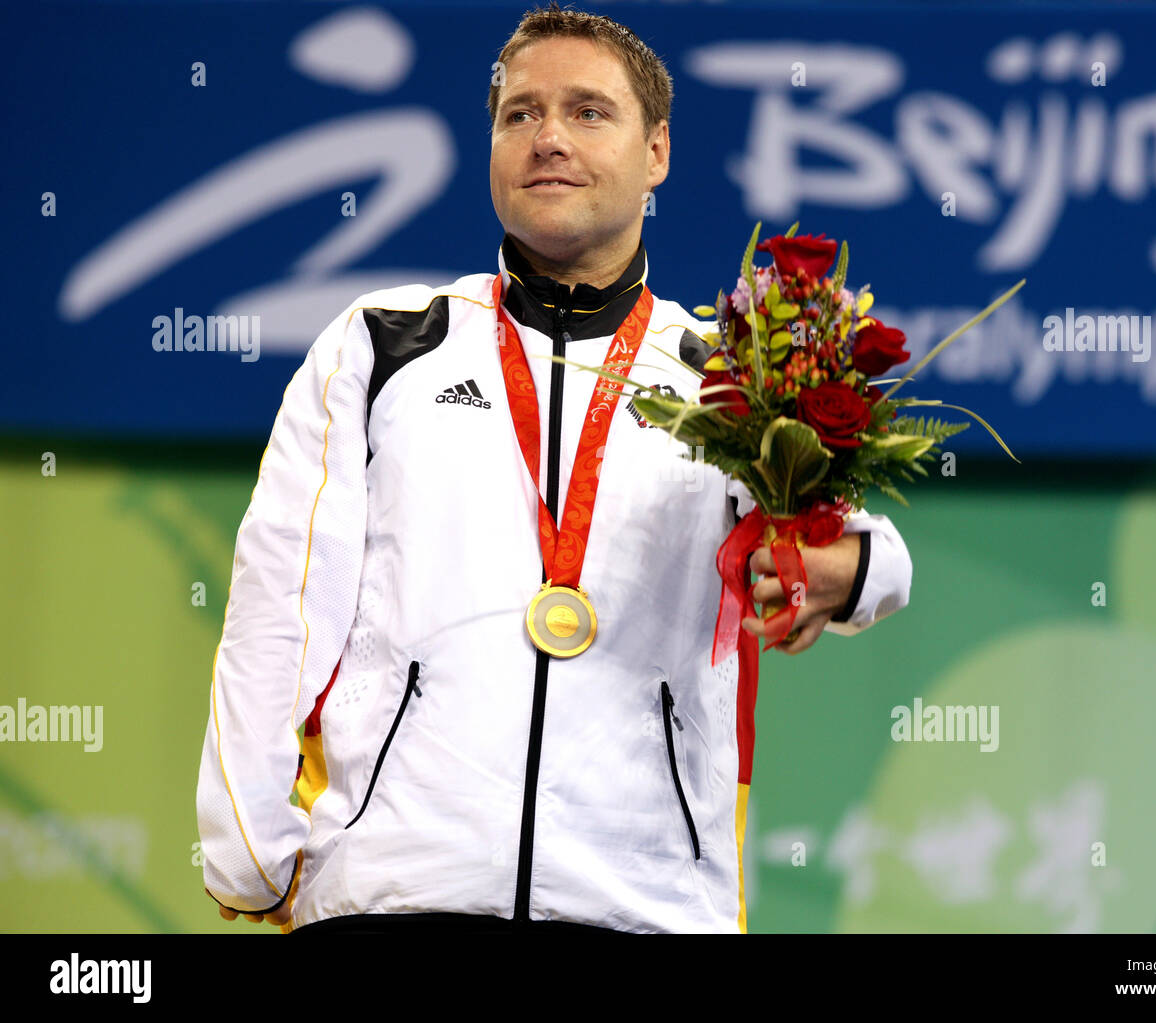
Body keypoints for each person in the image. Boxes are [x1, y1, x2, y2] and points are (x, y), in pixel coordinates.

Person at [195, 2, 912, 935]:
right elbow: (279, 610)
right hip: (400, 894)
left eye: (587, 112)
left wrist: (844, 571)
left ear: (657, 153)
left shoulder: (729, 377)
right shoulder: (385, 345)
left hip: (646, 907)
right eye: (519, 114)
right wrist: (249, 855)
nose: (547, 139)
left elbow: (879, 557)